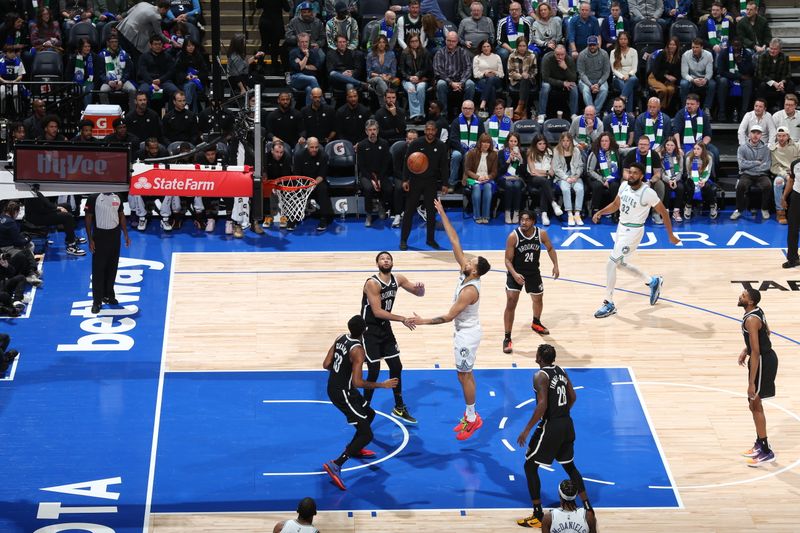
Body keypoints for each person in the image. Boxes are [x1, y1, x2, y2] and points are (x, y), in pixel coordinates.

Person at [411, 199, 491, 441]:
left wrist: (423, 321)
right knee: (464, 374)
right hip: (464, 332)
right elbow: (455, 240)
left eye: (470, 262)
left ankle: (472, 418)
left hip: (466, 334)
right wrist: (443, 213)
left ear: (474, 271)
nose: (466, 261)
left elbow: (448, 316)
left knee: (464, 375)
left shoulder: (470, 290)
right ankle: (470, 415)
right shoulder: (464, 272)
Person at [516, 344, 593, 528]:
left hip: (551, 426)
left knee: (529, 466)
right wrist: (562, 413)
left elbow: (541, 405)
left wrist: (527, 429)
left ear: (540, 358)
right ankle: (588, 507)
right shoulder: (561, 370)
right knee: (569, 466)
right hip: (567, 423)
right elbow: (573, 396)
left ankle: (537, 514)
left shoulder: (540, 375)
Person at [592, 162, 680, 318]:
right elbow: (615, 205)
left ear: (641, 175)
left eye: (634, 173)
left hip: (633, 231)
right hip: (621, 227)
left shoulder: (648, 193)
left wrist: (671, 235)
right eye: (629, 172)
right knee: (619, 264)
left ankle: (609, 303)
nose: (630, 175)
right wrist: (601, 212)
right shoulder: (624, 185)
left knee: (611, 263)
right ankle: (652, 281)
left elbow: (664, 213)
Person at [321, 315, 398, 491]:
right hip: (343, 393)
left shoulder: (340, 338)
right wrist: (382, 385)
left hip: (337, 386)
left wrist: (341, 372)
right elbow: (358, 382)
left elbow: (326, 364)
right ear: (364, 331)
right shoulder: (358, 351)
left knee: (370, 414)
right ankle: (336, 464)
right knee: (367, 434)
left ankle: (355, 448)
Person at [361, 252, 425, 423]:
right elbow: (377, 312)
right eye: (382, 259)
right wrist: (403, 318)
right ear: (377, 264)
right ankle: (364, 407)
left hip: (385, 328)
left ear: (392, 262)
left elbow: (418, 293)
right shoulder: (372, 283)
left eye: (388, 258)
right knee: (374, 371)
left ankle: (399, 406)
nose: (385, 260)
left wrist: (420, 289)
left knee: (396, 366)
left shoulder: (399, 279)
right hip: (369, 329)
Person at [503, 211, 559, 353]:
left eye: (526, 220)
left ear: (533, 221)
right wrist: (515, 274)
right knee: (511, 301)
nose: (523, 222)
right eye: (521, 219)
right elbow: (507, 260)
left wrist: (556, 265)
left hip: (533, 272)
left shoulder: (541, 234)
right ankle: (507, 337)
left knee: (538, 299)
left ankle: (536, 322)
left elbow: (551, 248)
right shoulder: (513, 236)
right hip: (516, 272)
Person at [737, 288, 779, 466]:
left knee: (755, 401)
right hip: (761, 359)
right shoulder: (757, 312)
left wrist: (751, 383)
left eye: (744, 296)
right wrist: (746, 349)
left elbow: (757, 350)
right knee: (753, 403)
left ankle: (766, 451)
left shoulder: (752, 319)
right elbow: (767, 332)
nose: (740, 296)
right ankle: (760, 442)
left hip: (762, 362)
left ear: (751, 302)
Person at [400, 121, 449, 250]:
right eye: (428, 129)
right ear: (425, 130)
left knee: (431, 212)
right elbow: (407, 162)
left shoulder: (441, 146)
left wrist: (445, 183)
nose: (430, 132)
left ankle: (430, 240)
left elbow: (444, 165)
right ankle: (403, 240)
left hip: (431, 182)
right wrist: (405, 180)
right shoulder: (416, 143)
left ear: (436, 131)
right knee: (409, 211)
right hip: (415, 181)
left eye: (432, 130)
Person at [84, 192, 131, 315]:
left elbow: (121, 215)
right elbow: (88, 217)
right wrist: (90, 239)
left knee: (112, 267)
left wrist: (126, 234)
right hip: (99, 235)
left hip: (115, 235)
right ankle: (96, 301)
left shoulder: (118, 197)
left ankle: (109, 294)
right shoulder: (93, 198)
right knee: (98, 269)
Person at [293, 137, 334, 231]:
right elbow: (297, 174)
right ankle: (294, 217)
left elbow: (322, 175)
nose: (314, 149)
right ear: (307, 146)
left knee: (323, 188)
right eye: (312, 147)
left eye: (316, 147)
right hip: (303, 181)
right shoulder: (298, 155)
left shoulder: (323, 155)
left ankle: (324, 218)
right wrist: (304, 185)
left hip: (317, 181)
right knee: (295, 188)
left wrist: (313, 184)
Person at [732, 124, 772, 221]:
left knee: (768, 185)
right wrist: (756, 163)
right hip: (747, 174)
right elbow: (741, 165)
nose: (755, 135)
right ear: (749, 134)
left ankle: (764, 208)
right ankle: (739, 209)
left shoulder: (766, 149)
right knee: (740, 185)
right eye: (753, 132)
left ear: (761, 135)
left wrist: (750, 165)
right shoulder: (742, 148)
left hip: (761, 174)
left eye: (758, 133)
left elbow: (767, 165)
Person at [357, 120, 393, 227]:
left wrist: (380, 179)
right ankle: (368, 214)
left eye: (374, 129)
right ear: (366, 131)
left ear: (377, 131)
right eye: (370, 130)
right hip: (366, 175)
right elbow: (361, 166)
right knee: (368, 188)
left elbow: (386, 164)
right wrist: (372, 180)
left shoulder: (384, 143)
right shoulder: (362, 145)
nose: (372, 132)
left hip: (381, 173)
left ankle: (382, 205)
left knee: (388, 188)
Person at [623, 135, 665, 223]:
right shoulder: (631, 154)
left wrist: (650, 181)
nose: (642, 146)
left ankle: (656, 213)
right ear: (637, 145)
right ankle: (628, 213)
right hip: (633, 180)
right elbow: (625, 173)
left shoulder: (654, 155)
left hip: (649, 180)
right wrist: (634, 181)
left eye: (645, 144)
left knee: (660, 185)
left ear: (649, 145)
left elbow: (658, 173)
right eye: (640, 144)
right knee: (623, 184)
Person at [433, 31, 475, 113]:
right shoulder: (440, 53)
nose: (450, 43)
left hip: (461, 81)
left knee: (470, 84)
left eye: (453, 41)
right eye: (448, 40)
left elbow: (468, 68)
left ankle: (466, 112)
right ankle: (443, 113)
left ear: (457, 41)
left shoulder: (463, 52)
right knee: (440, 84)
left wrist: (461, 82)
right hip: (446, 81)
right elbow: (438, 71)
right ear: (445, 40)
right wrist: (451, 83)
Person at [448, 100, 485, 191]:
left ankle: (469, 181)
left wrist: (473, 150)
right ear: (461, 109)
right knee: (456, 155)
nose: (467, 110)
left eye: (469, 108)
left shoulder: (479, 122)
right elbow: (453, 139)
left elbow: (482, 139)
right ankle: (452, 183)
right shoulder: (456, 121)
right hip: (459, 149)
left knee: (471, 155)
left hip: (475, 149)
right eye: (465, 108)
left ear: (473, 110)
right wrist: (464, 151)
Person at [716, 39, 755, 123]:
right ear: (730, 45)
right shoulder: (724, 53)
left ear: (742, 46)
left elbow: (749, 71)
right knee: (722, 81)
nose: (736, 48)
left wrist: (740, 62)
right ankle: (722, 112)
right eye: (734, 46)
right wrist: (739, 76)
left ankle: (744, 113)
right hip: (728, 77)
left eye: (738, 46)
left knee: (748, 83)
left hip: (742, 79)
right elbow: (721, 71)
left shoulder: (746, 54)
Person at [526, 133, 561, 225]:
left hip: (547, 179)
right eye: (540, 144)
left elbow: (552, 170)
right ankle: (554, 203)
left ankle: (544, 215)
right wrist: (546, 172)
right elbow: (533, 171)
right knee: (544, 181)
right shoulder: (530, 153)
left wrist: (544, 172)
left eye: (544, 143)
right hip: (534, 179)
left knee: (543, 188)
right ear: (535, 144)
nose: (542, 146)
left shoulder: (550, 152)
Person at [463, 132, 497, 223]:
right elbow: (467, 170)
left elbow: (494, 172)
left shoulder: (493, 154)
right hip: (473, 179)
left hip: (487, 179)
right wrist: (477, 177)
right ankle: (477, 215)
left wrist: (488, 177)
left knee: (488, 186)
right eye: (484, 142)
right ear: (480, 143)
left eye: (488, 142)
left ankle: (486, 216)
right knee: (477, 187)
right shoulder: (472, 153)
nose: (486, 144)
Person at [552, 131, 585, 225]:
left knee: (580, 189)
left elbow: (580, 166)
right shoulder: (556, 151)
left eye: (567, 140)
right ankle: (570, 213)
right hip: (562, 177)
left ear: (571, 141)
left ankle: (577, 213)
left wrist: (576, 176)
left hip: (575, 175)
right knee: (565, 189)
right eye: (563, 140)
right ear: (560, 141)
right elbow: (556, 168)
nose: (565, 143)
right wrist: (566, 178)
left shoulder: (576, 150)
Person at [98, 34, 137, 112]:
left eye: (116, 42)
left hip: (122, 80)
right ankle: (108, 113)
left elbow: (127, 71)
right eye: (112, 42)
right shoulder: (102, 55)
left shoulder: (124, 54)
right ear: (108, 43)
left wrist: (122, 81)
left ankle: (132, 114)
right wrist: (108, 81)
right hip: (108, 81)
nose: (114, 44)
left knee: (132, 90)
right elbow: (100, 73)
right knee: (103, 91)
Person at [587, 132, 621, 218]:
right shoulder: (595, 152)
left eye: (606, 141)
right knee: (598, 186)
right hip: (596, 178)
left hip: (612, 178)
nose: (604, 143)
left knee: (615, 186)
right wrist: (602, 179)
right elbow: (590, 171)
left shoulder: (615, 152)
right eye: (602, 141)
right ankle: (595, 210)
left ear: (610, 142)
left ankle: (615, 211)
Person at [399, 34, 432, 123]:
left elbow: (427, 68)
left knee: (420, 88)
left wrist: (417, 76)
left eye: (416, 41)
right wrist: (409, 77)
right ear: (409, 43)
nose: (414, 43)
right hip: (408, 80)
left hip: (421, 79)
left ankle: (421, 114)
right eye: (412, 41)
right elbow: (401, 70)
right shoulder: (404, 53)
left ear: (419, 42)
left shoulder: (425, 52)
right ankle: (415, 115)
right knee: (411, 89)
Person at [771, 126, 800, 225]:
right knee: (778, 182)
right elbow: (774, 167)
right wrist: (785, 175)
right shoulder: (774, 149)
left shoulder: (796, 147)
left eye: (784, 136)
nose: (781, 138)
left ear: (788, 136)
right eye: (779, 136)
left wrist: (794, 174)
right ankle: (780, 212)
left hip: (797, 173)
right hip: (783, 173)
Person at [756, 39, 794, 113]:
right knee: (762, 85)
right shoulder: (762, 56)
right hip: (767, 83)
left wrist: (782, 82)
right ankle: (762, 110)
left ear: (780, 49)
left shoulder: (784, 57)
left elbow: (788, 74)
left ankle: (787, 110)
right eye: (771, 48)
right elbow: (760, 74)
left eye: (775, 49)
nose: (772, 51)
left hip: (780, 83)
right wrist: (773, 83)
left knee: (791, 85)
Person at [684, 141, 719, 219]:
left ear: (703, 150)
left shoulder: (708, 158)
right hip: (692, 178)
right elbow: (688, 173)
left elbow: (708, 172)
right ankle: (688, 206)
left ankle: (713, 206)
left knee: (708, 187)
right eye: (694, 149)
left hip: (704, 178)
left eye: (698, 149)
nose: (695, 151)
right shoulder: (689, 158)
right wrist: (695, 180)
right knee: (691, 186)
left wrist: (703, 181)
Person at [680, 38, 716, 112]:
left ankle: (707, 108)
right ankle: (685, 108)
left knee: (712, 84)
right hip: (691, 78)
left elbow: (709, 72)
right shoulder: (686, 55)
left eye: (697, 47)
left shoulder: (708, 55)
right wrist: (692, 80)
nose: (694, 49)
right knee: (683, 84)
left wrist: (705, 79)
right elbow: (684, 73)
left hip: (703, 79)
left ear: (702, 47)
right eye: (693, 47)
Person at [648, 37, 682, 112]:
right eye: (670, 44)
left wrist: (675, 78)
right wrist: (666, 76)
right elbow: (655, 70)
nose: (672, 46)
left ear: (677, 46)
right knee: (663, 90)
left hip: (669, 80)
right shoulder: (662, 54)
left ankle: (666, 109)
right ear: (667, 45)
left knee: (670, 89)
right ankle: (659, 109)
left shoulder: (678, 57)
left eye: (674, 45)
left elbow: (678, 72)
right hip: (655, 77)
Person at [576, 35, 610, 111]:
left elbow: (606, 72)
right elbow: (581, 73)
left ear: (598, 45)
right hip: (586, 80)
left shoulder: (604, 54)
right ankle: (591, 111)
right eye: (590, 45)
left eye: (594, 45)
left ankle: (595, 112)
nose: (592, 47)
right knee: (585, 90)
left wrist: (599, 84)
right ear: (587, 45)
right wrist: (591, 85)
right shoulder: (582, 55)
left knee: (604, 90)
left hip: (600, 80)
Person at [289, 32, 322, 108]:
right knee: (312, 79)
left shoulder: (314, 52)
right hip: (296, 79)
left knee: (310, 89)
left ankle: (309, 111)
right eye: (302, 42)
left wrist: (303, 65)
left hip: (308, 81)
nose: (304, 44)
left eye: (306, 42)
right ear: (298, 43)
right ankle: (322, 104)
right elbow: (299, 68)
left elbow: (317, 67)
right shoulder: (293, 52)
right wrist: (306, 56)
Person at [507, 38, 536, 120]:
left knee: (526, 80)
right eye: (520, 46)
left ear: (527, 46)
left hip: (529, 80)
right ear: (517, 46)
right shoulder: (512, 56)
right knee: (524, 80)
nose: (522, 48)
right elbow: (510, 72)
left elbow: (534, 71)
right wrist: (521, 76)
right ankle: (524, 111)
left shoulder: (532, 55)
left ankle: (520, 105)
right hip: (515, 82)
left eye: (524, 46)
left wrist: (528, 75)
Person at [499, 133, 526, 223]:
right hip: (504, 178)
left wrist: (521, 159)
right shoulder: (502, 152)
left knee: (517, 185)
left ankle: (516, 212)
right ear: (508, 141)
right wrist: (508, 160)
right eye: (511, 141)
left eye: (515, 141)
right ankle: (507, 212)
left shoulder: (522, 152)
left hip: (518, 178)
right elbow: (500, 171)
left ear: (518, 143)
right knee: (509, 185)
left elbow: (524, 172)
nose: (513, 143)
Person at [496, 2, 531, 70]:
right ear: (509, 11)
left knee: (534, 53)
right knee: (504, 53)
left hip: (523, 47)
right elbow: (499, 41)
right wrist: (512, 50)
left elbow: (529, 39)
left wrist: (522, 49)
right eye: (512, 10)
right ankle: (505, 77)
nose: (514, 11)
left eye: (516, 9)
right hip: (507, 48)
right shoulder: (502, 22)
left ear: (521, 11)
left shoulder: (526, 22)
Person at [608, 31, 637, 113]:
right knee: (629, 88)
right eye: (621, 39)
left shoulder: (633, 51)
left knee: (632, 80)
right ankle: (629, 113)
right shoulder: (613, 52)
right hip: (618, 78)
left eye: (625, 39)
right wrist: (622, 77)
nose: (623, 41)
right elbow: (614, 69)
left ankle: (622, 98)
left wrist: (628, 75)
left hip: (631, 77)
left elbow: (634, 68)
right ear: (618, 40)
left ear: (628, 40)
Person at [658, 137, 686, 222]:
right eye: (668, 145)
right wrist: (668, 180)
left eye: (672, 145)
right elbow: (661, 172)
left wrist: (675, 180)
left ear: (675, 146)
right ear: (665, 145)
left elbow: (680, 171)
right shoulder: (661, 156)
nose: (669, 147)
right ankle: (665, 211)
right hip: (666, 178)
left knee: (680, 188)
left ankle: (676, 211)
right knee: (666, 188)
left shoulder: (679, 156)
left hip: (676, 178)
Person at [366, 34, 398, 107]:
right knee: (379, 80)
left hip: (387, 79)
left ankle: (384, 108)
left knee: (380, 85)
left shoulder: (391, 54)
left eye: (383, 42)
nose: (381, 44)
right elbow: (369, 72)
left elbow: (393, 72)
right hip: (373, 79)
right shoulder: (370, 55)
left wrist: (387, 77)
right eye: (379, 42)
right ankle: (391, 104)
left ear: (386, 43)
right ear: (376, 44)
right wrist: (380, 76)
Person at [473, 40, 504, 115]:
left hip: (496, 79)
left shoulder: (496, 57)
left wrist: (494, 72)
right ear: (481, 48)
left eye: (488, 46)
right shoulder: (477, 58)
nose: (486, 48)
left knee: (491, 79)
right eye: (484, 47)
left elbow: (501, 74)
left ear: (491, 47)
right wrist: (484, 74)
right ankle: (492, 113)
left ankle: (483, 101)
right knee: (491, 88)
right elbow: (475, 74)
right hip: (482, 80)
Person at [783, 154, 800, 268]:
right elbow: (791, 180)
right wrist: (784, 197)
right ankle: (792, 259)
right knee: (793, 228)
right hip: (797, 197)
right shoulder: (795, 164)